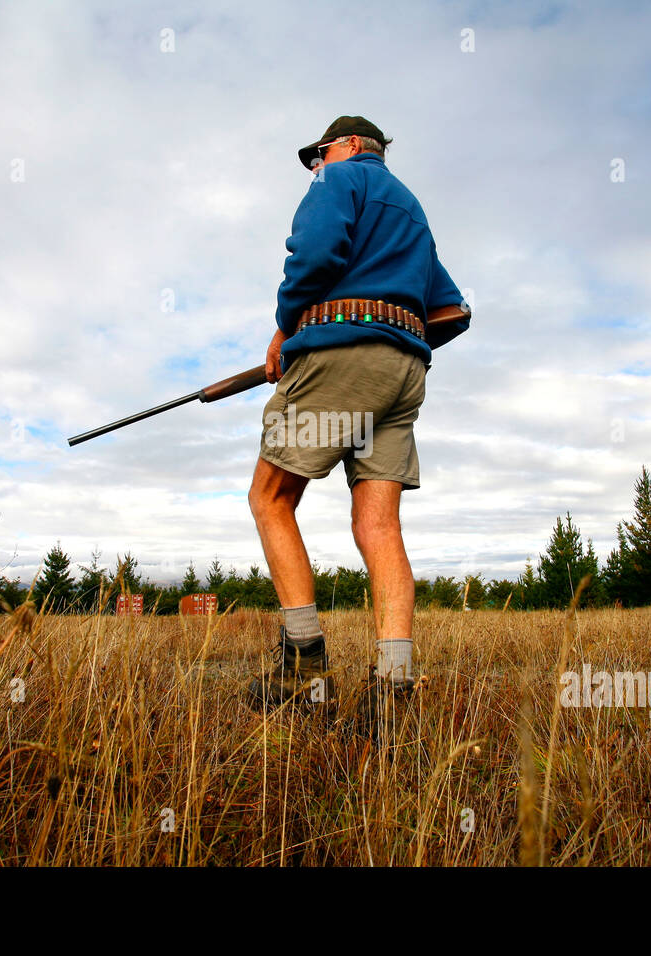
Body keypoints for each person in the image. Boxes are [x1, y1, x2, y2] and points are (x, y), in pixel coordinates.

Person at [245, 115, 469, 735]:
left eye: (318, 154)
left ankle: (304, 670)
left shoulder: (341, 179)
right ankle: (393, 690)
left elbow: (314, 253)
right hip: (405, 373)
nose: (316, 166)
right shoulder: (412, 210)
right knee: (379, 526)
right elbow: (452, 310)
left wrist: (291, 328)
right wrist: (394, 338)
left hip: (342, 361)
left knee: (270, 498)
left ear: (345, 146)